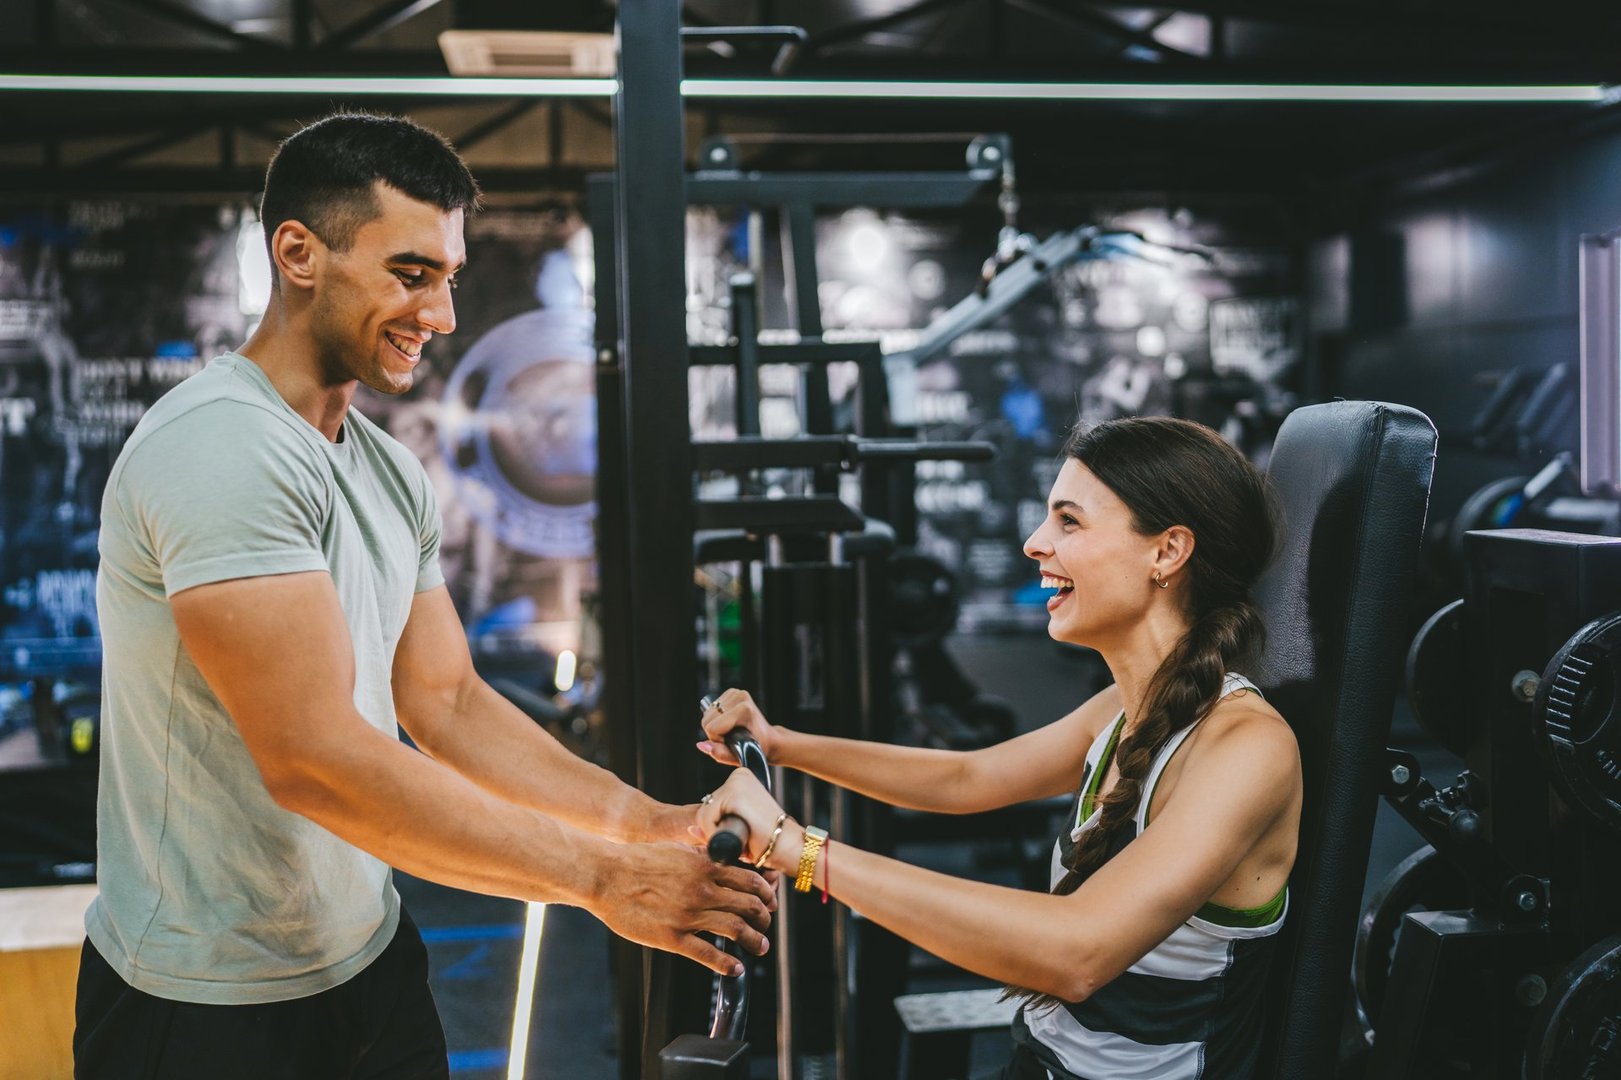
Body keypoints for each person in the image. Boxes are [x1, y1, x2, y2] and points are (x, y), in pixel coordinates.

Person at [77, 112, 772, 1080]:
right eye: (411, 274)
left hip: (365, 958)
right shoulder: (221, 448)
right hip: (204, 1002)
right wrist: (603, 879)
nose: (442, 314)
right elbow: (314, 761)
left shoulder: (386, 470)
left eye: (447, 277)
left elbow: (446, 703)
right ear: (297, 253)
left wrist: (643, 825)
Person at [696, 416, 1302, 1080]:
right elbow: (966, 779)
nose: (1034, 543)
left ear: (1166, 552)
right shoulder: (1130, 707)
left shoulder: (1246, 747)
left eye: (1068, 522)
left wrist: (797, 848)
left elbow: (1077, 952)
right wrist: (782, 744)